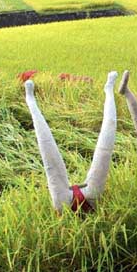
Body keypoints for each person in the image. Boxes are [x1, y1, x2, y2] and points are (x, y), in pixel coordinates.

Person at [25, 71, 119, 214]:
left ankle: (109, 89)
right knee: (104, 148)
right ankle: (30, 100)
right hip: (84, 199)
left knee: (49, 153)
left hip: (67, 202)